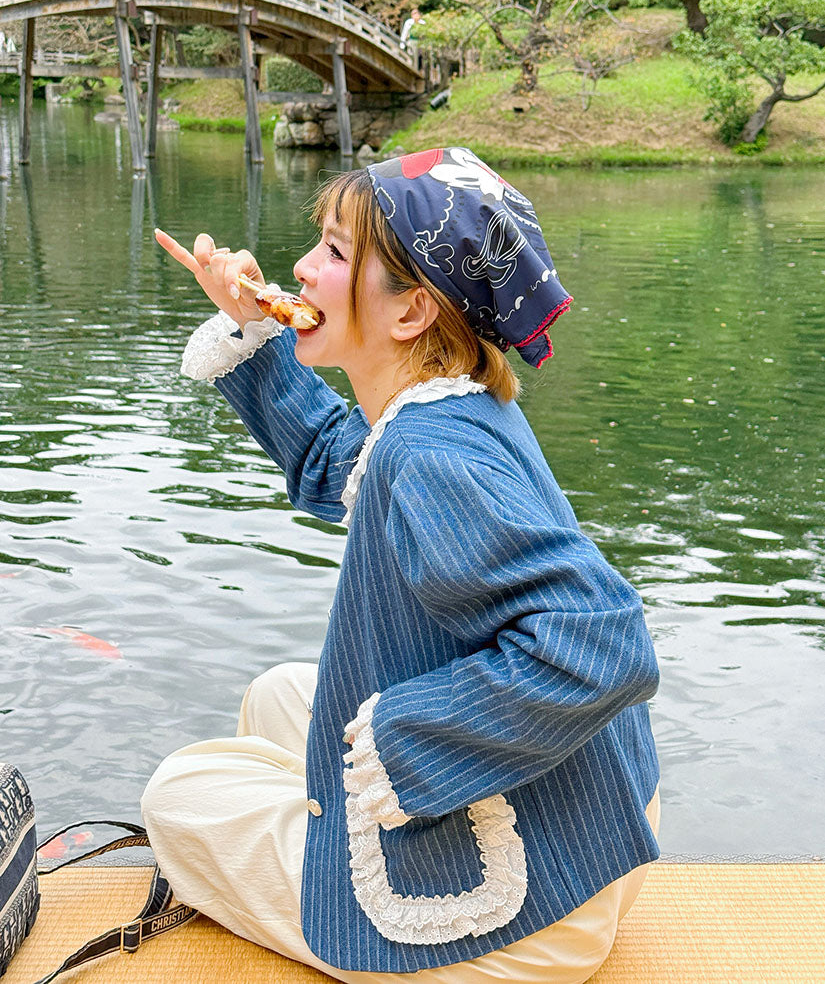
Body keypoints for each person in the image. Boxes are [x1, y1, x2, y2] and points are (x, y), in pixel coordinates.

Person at [145, 146, 661, 984]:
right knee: (278, 693)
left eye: (336, 254)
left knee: (178, 793)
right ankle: (321, 832)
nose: (303, 271)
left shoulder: (431, 457)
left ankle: (364, 906)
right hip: (600, 827)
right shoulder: (447, 405)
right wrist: (250, 324)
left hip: (533, 917)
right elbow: (335, 456)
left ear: (413, 310)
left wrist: (404, 745)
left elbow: (602, 644)